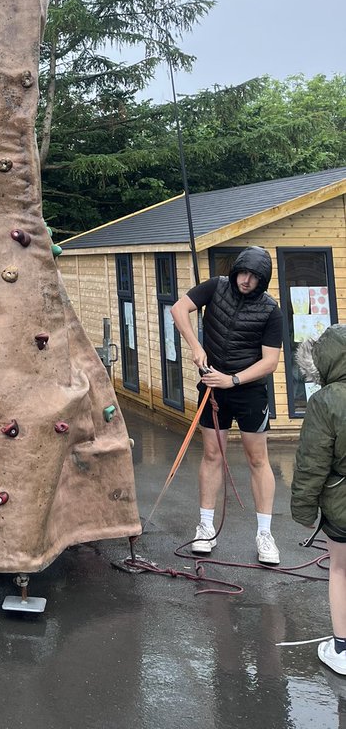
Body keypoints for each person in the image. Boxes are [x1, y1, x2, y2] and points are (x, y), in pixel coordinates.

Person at [171, 246, 283, 564]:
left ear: (263, 280)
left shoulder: (270, 310)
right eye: (243, 273)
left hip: (249, 392)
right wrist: (195, 346)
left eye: (254, 277)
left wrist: (232, 380)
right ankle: (205, 527)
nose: (246, 280)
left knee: (257, 460)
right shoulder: (216, 286)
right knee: (211, 455)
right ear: (236, 272)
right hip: (212, 386)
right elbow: (179, 309)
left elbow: (270, 363)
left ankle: (265, 534)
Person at [291, 325, 346, 674]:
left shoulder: (325, 401)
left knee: (340, 569)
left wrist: (304, 509)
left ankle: (342, 649)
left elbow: (312, 463)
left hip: (342, 505)